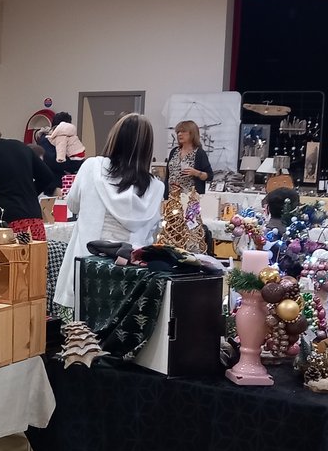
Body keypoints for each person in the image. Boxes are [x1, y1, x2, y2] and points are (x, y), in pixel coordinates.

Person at [53, 113, 163, 312]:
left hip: (88, 265)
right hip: (129, 272)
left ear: (115, 138)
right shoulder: (155, 186)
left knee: (82, 336)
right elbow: (152, 231)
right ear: (147, 147)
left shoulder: (92, 167)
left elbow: (73, 204)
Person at [166, 120, 214, 195]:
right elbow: (168, 175)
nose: (179, 134)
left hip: (190, 198)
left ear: (192, 134)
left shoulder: (199, 153)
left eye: (183, 132)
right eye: (178, 132)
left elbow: (209, 176)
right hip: (172, 197)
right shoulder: (174, 151)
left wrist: (196, 173)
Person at [46, 111, 87, 176]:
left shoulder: (45, 139)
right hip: (58, 179)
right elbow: (59, 161)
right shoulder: (65, 138)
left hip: (48, 178)